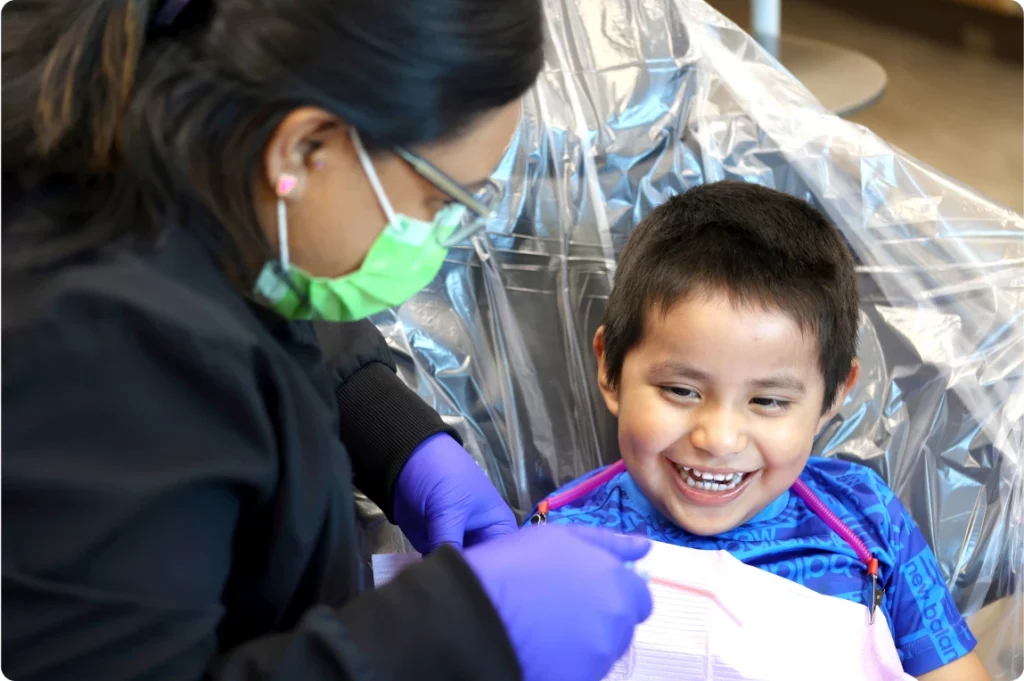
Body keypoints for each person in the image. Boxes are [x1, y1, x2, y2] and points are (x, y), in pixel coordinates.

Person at [0, 1, 654, 680]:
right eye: (439, 202)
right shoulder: (97, 350)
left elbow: (273, 280)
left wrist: (393, 433)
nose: (443, 231)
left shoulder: (177, 122)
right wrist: (451, 631)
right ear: (304, 147)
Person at [529, 182, 991, 681]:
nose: (719, 439)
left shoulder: (869, 522)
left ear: (833, 396)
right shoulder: (555, 541)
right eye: (681, 391)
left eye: (768, 401)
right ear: (610, 370)